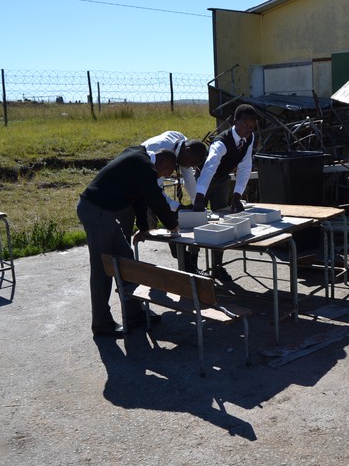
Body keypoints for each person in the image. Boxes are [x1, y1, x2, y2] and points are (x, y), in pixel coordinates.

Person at [77, 146, 180, 337]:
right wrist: (173, 224)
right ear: (165, 162)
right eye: (167, 172)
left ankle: (134, 313)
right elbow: (154, 197)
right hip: (96, 211)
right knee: (103, 269)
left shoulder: (139, 159)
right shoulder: (143, 164)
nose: (162, 177)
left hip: (104, 213)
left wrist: (143, 227)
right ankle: (101, 322)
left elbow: (139, 198)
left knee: (126, 261)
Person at [193, 104, 258, 282]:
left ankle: (217, 267)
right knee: (196, 220)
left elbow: (245, 166)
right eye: (246, 124)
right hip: (204, 179)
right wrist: (199, 197)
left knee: (221, 222)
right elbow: (209, 167)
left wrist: (237, 195)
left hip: (222, 180)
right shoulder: (221, 142)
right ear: (235, 121)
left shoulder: (250, 138)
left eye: (253, 125)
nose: (249, 128)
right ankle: (190, 266)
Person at [134, 131, 207, 273]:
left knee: (176, 223)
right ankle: (134, 274)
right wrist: (177, 207)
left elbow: (189, 177)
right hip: (139, 189)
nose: (189, 166)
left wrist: (196, 202)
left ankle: (189, 266)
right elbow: (155, 193)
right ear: (187, 151)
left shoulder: (184, 147)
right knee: (150, 227)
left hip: (152, 188)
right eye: (191, 163)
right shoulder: (159, 154)